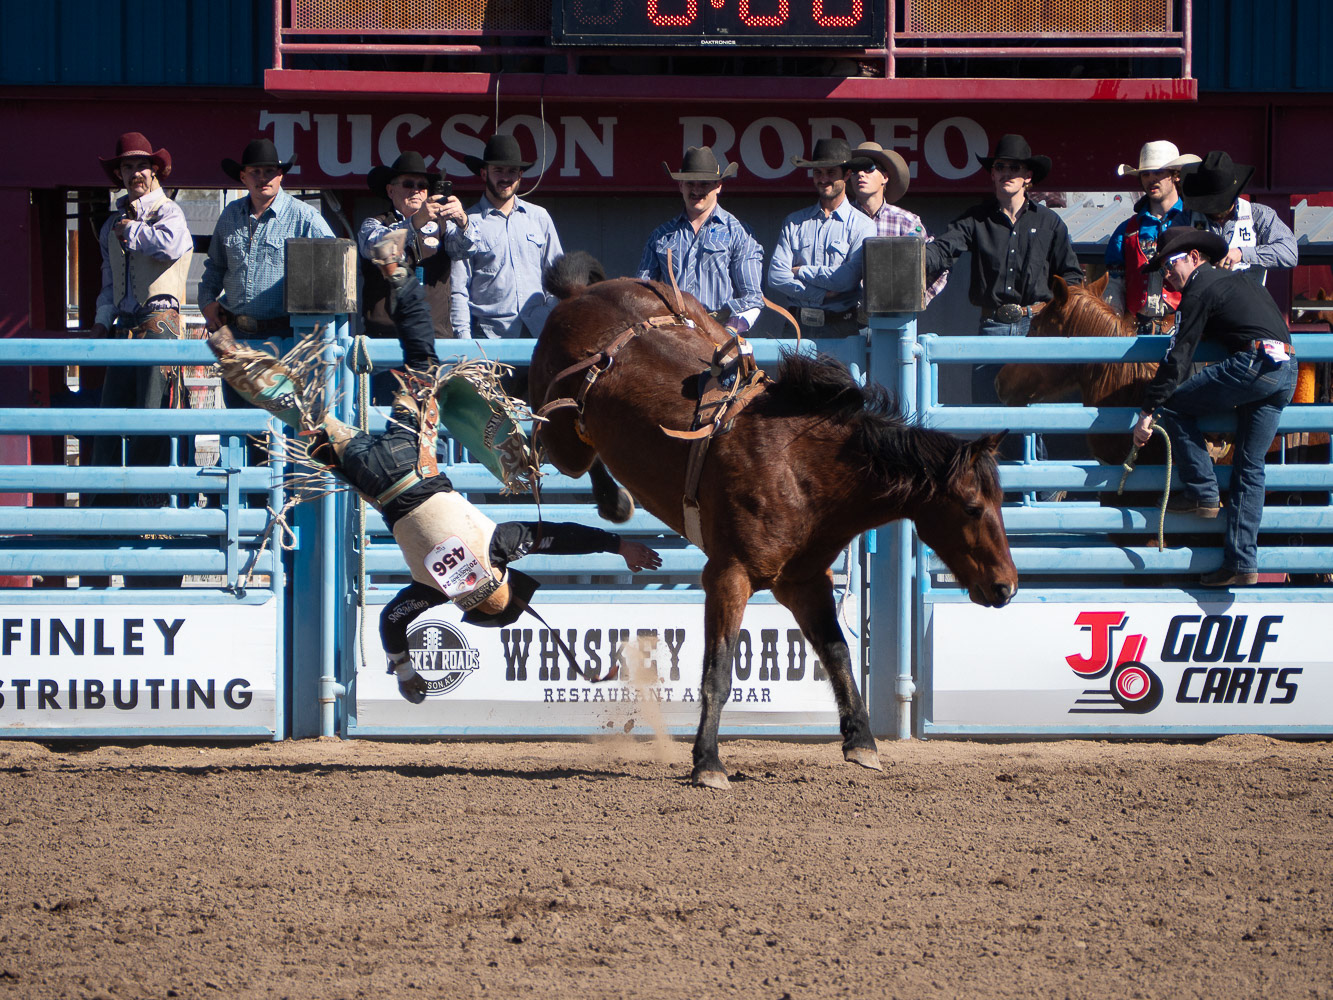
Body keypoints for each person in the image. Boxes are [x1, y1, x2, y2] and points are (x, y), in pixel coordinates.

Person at [209, 239, 661, 702]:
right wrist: (405, 672)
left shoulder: (499, 548)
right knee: (303, 415)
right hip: (372, 480)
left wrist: (617, 545)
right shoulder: (433, 591)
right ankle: (229, 353)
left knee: (421, 362)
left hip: (412, 459)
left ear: (504, 579)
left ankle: (399, 276)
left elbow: (558, 536)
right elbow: (392, 621)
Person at [1132, 227, 1298, 588]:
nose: (1165, 274)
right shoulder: (1238, 283)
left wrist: (1147, 412)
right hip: (1286, 369)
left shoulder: (1199, 290)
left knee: (1173, 408)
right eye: (1161, 268)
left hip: (1254, 365)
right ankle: (1241, 561)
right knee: (1250, 467)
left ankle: (1202, 491)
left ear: (1194, 258)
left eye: (1169, 264)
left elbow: (1179, 356)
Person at [924, 133, 1083, 494]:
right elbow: (942, 251)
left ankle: (1042, 497)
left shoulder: (1050, 223)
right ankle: (999, 501)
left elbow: (1071, 277)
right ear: (992, 175)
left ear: (1029, 176)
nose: (1006, 173)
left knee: (1034, 417)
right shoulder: (976, 219)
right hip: (993, 325)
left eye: (1014, 167)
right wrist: (913, 257)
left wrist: (1054, 310)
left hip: (1036, 327)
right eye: (1000, 167)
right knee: (990, 418)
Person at [90, 131, 193, 506]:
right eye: (128, 166)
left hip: (160, 325)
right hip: (124, 328)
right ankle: (104, 510)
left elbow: (169, 246)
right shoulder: (111, 224)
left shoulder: (169, 212)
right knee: (111, 419)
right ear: (119, 174)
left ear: (155, 171)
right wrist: (102, 320)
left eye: (141, 166)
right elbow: (109, 279)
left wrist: (130, 230)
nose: (135, 173)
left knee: (154, 418)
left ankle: (152, 508)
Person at [198, 138, 336, 339]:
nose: (263, 178)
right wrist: (206, 301)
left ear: (280, 175)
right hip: (233, 333)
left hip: (286, 334)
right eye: (255, 172)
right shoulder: (230, 215)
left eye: (270, 171)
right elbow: (216, 266)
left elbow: (332, 266)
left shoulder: (304, 217)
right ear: (243, 177)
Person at [636, 146, 764, 336]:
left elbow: (753, 298)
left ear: (718, 186)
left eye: (704, 184)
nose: (696, 190)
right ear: (680, 186)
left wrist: (729, 329)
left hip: (720, 331)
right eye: (690, 183)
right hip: (672, 334)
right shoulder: (661, 236)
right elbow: (642, 291)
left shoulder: (738, 233)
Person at [450, 135, 564, 339]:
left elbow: (558, 277)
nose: (506, 177)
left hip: (538, 335)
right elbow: (458, 289)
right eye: (498, 170)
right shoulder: (467, 224)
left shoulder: (539, 217)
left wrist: (549, 316)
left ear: (520, 175)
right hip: (488, 336)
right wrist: (464, 341)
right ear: (484, 173)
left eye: (512, 171)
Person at [767, 138, 875, 338]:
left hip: (842, 327)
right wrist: (821, 294)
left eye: (831, 172)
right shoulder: (794, 222)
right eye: (818, 172)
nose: (823, 178)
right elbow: (776, 276)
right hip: (797, 326)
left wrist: (801, 271)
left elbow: (846, 280)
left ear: (847, 174)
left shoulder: (863, 225)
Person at [358, 150, 472, 340]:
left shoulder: (444, 226)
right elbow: (378, 246)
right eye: (408, 184)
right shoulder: (374, 224)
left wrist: (463, 222)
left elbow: (466, 251)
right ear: (390, 190)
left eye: (423, 185)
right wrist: (415, 222)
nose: (416, 190)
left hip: (436, 338)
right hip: (386, 339)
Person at [1103, 140, 1201, 334]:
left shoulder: (1195, 223)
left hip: (1186, 330)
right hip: (1136, 332)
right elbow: (1115, 284)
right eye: (1146, 174)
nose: (1151, 179)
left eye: (1158, 172)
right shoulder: (1127, 230)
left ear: (1176, 176)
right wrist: (1113, 328)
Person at [846, 140, 948, 305]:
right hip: (845, 318)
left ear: (885, 177)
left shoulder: (907, 222)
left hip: (892, 318)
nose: (861, 174)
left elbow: (939, 264)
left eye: (869, 168)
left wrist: (916, 300)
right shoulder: (839, 220)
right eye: (855, 170)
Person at [1181, 150, 1298, 288]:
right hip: (1203, 302)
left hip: (1248, 303)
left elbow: (1289, 253)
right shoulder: (1186, 219)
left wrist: (1242, 253)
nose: (1216, 209)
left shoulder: (1258, 215)